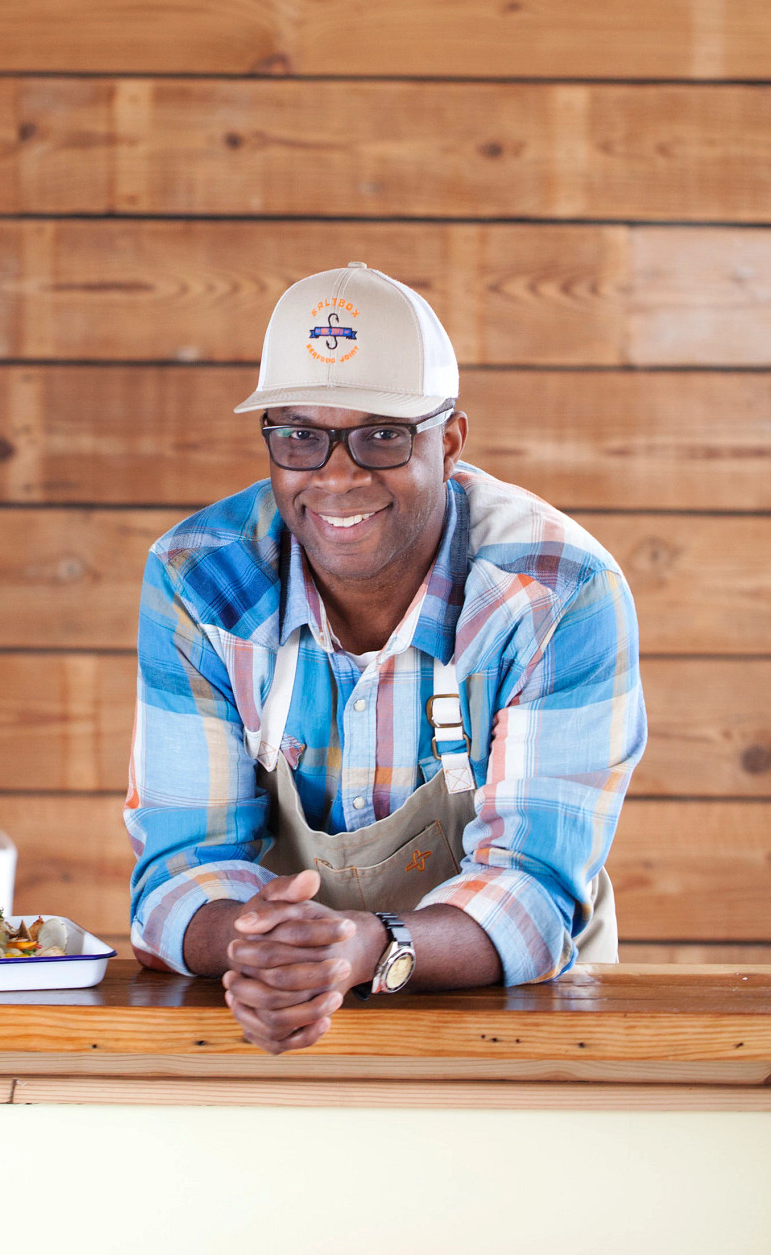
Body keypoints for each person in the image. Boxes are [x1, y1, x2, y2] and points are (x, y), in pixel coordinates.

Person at [125, 262, 646, 1054]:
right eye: (300, 436)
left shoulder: (555, 592)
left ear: (450, 441)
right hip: (275, 1014)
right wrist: (261, 946)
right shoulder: (198, 579)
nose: (337, 476)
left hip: (519, 1024)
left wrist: (368, 948)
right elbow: (178, 871)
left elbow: (532, 891)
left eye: (381, 436)